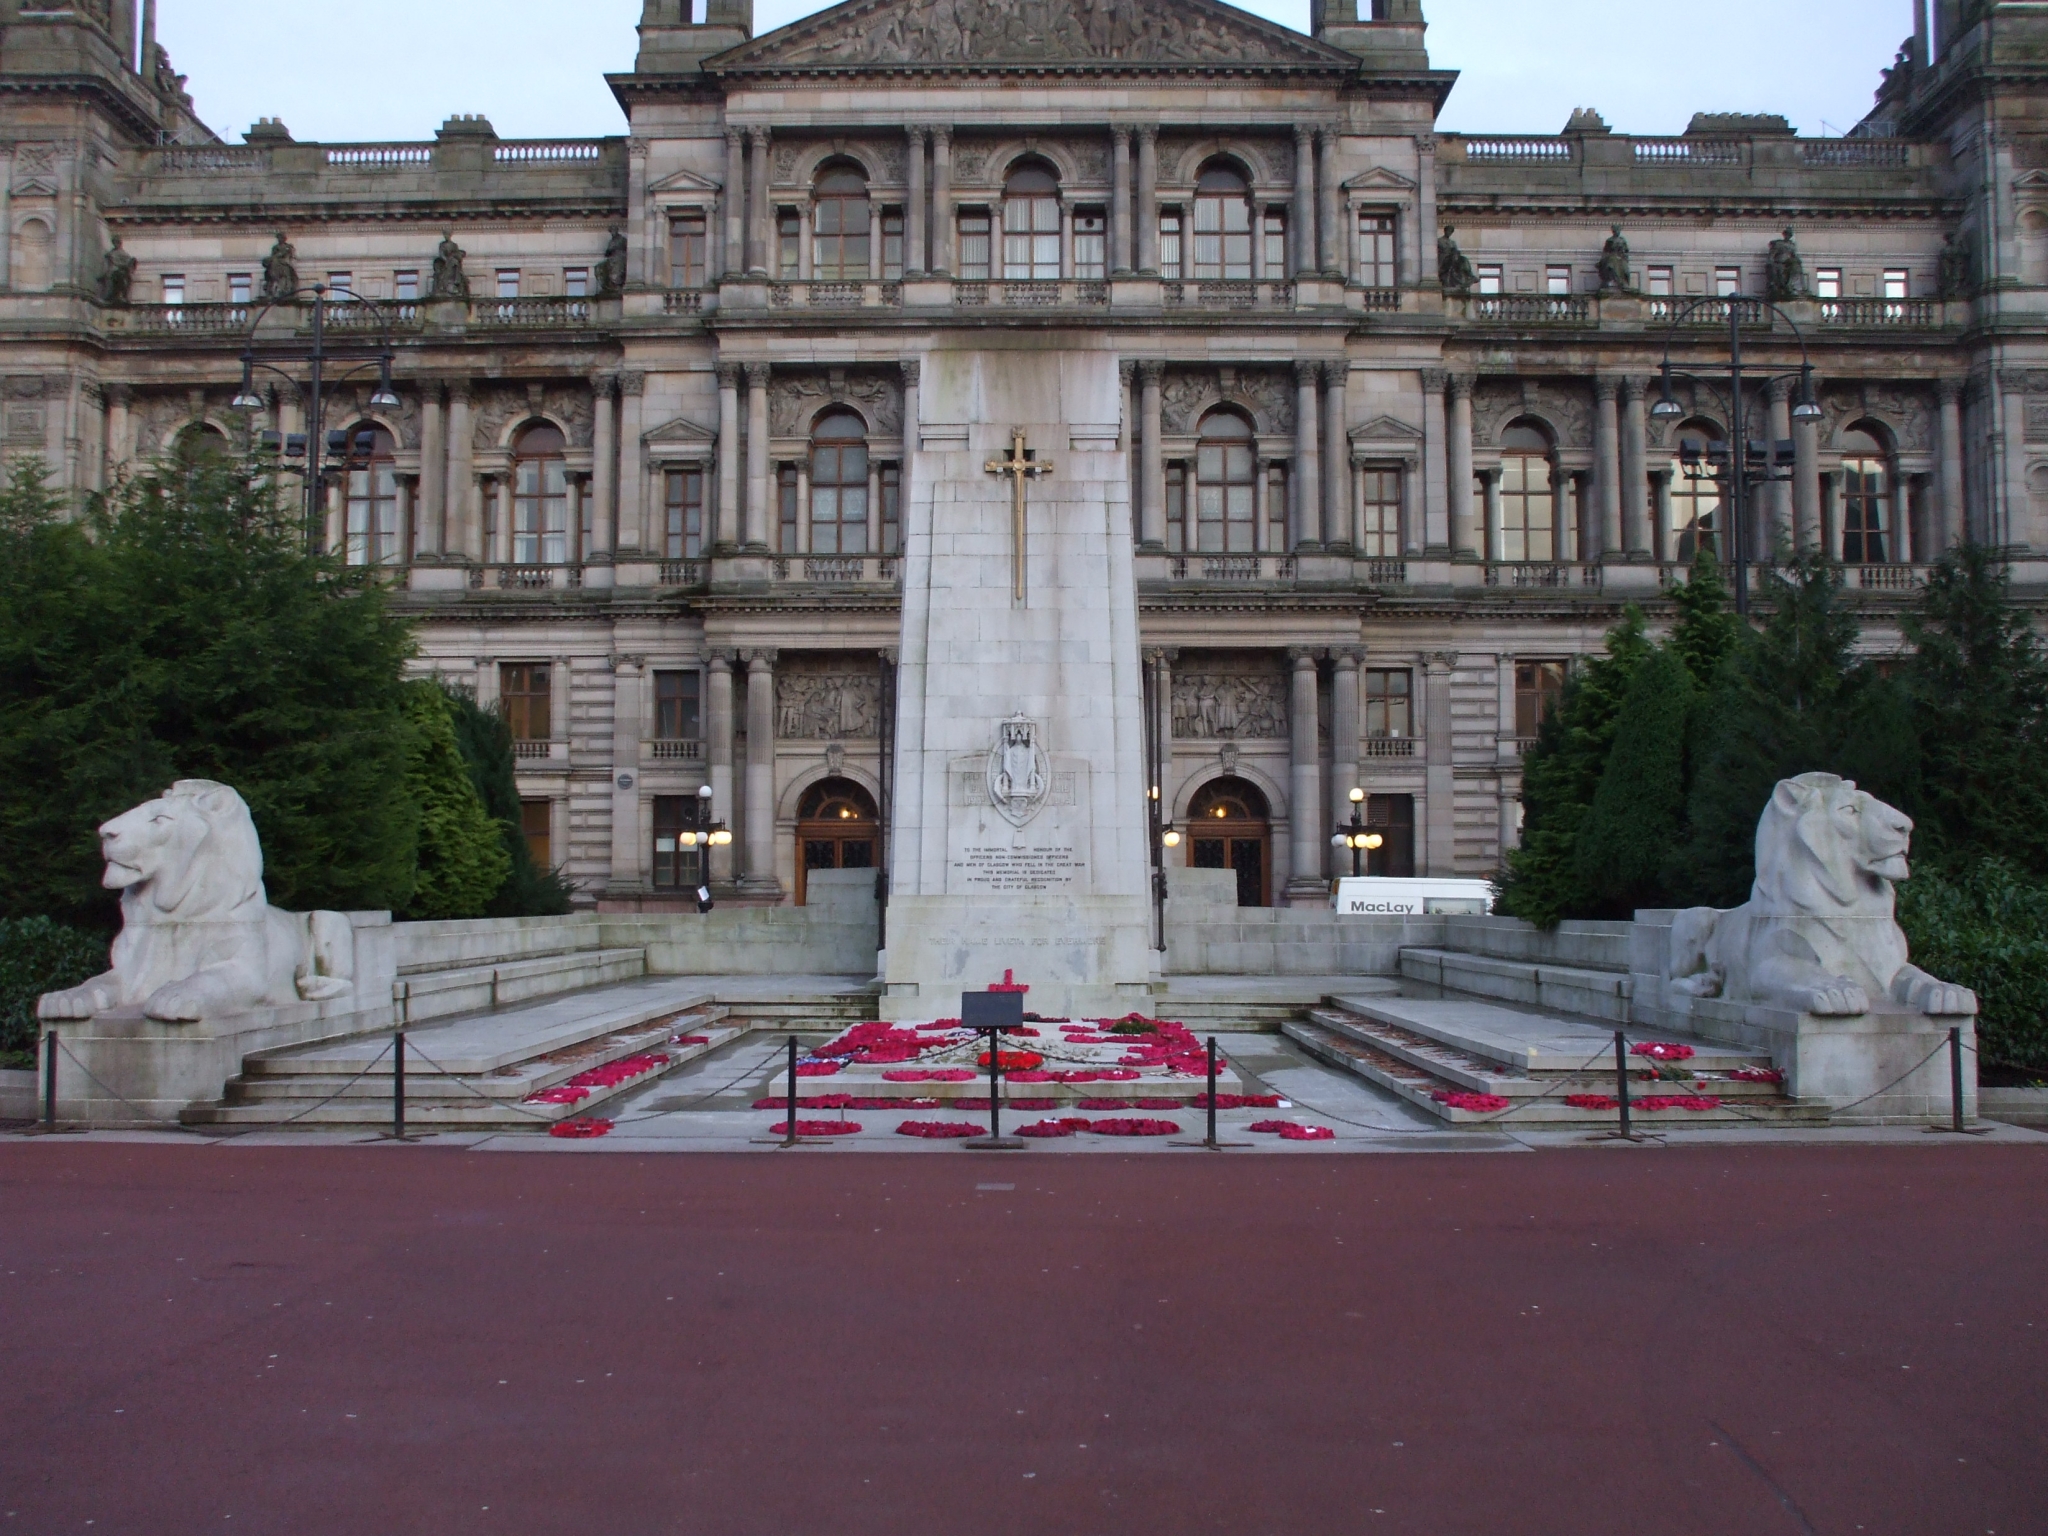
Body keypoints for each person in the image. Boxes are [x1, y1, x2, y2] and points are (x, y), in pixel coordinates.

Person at [1437, 226, 1477, 295]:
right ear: (1445, 231)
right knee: (1454, 258)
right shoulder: (1439, 241)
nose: (1449, 233)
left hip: (1452, 257)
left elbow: (1455, 250)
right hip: (1444, 258)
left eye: (1450, 232)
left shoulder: (1452, 242)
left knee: (1464, 259)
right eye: (1448, 231)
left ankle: (1469, 274)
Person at [98, 234, 136, 306]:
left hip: (120, 270)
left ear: (120, 243)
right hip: (111, 270)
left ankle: (118, 295)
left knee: (118, 276)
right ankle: (109, 295)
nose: (116, 244)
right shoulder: (110, 253)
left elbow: (128, 264)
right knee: (109, 276)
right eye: (114, 242)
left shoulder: (124, 254)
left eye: (117, 242)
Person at [1596, 225, 1632, 293]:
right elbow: (1605, 252)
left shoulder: (1622, 240)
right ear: (1613, 231)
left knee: (1626, 270)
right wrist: (1602, 261)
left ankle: (1624, 282)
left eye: (1618, 230)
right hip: (1612, 257)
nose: (1617, 232)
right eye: (1615, 230)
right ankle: (1611, 281)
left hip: (1621, 257)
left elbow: (1626, 250)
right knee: (1610, 265)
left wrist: (1624, 255)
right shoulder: (1609, 240)